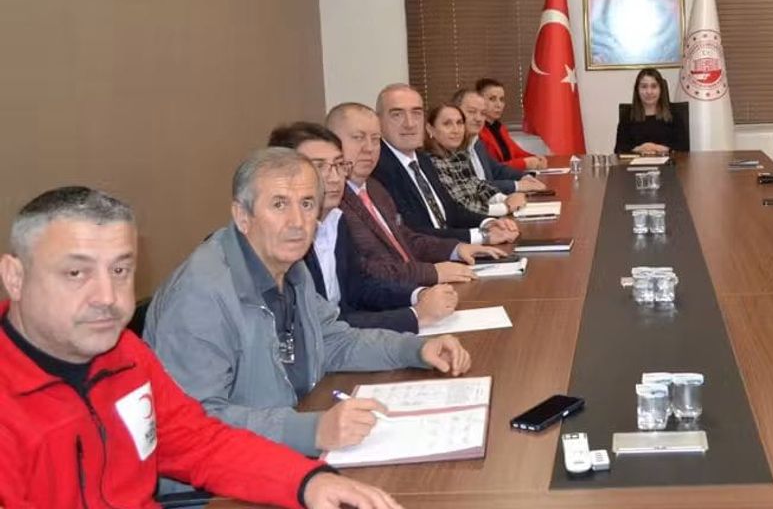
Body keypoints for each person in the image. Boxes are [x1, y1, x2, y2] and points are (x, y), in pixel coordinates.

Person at [0, 186, 402, 509]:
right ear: (14, 277)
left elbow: (196, 442)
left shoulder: (123, 354)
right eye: (76, 273)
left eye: (120, 270)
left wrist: (306, 481)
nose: (107, 296)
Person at [145, 149, 474, 461]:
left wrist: (415, 349)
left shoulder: (289, 266)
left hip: (283, 447)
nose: (297, 222)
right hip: (218, 482)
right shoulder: (200, 295)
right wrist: (312, 430)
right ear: (242, 216)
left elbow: (334, 341)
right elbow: (194, 422)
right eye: (279, 204)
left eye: (306, 204)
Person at [268, 121, 456, 333]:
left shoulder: (336, 222)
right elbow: (315, 327)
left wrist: (417, 295)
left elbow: (359, 287)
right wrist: (414, 316)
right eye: (318, 167)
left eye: (339, 165)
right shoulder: (283, 240)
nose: (334, 178)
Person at [327, 102, 502, 287]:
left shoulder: (374, 188)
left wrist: (456, 249)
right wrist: (431, 274)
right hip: (397, 295)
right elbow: (365, 272)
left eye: (375, 139)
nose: (369, 148)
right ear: (331, 144)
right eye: (358, 138)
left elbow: (405, 238)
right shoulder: (333, 201)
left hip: (415, 286)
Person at [371, 83, 521, 243]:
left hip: (452, 246)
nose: (409, 123)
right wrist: (482, 236)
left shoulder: (422, 160)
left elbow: (450, 211)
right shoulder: (377, 170)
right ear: (378, 121)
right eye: (397, 114)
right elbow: (412, 233)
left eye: (416, 113)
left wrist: (488, 223)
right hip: (434, 254)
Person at [426, 104, 528, 216]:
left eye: (459, 123)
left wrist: (505, 198)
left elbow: (476, 185)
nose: (456, 130)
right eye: (447, 124)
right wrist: (505, 208)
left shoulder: (458, 155)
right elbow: (461, 206)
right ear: (430, 129)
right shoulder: (431, 162)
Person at [454, 88, 547, 195]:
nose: (478, 118)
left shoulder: (476, 143)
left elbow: (497, 169)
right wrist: (516, 185)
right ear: (456, 112)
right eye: (471, 112)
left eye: (483, 113)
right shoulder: (452, 147)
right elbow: (473, 187)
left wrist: (525, 177)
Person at [613, 67, 690, 155]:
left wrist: (656, 148)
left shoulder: (673, 113)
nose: (649, 92)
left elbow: (683, 148)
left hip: (668, 162)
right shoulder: (628, 116)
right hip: (636, 163)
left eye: (654, 86)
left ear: (661, 89)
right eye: (644, 86)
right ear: (637, 90)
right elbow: (619, 149)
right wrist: (640, 149)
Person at [476, 78, 547, 170]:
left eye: (501, 99)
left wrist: (537, 158)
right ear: (479, 102)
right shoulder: (477, 132)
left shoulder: (499, 128)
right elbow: (492, 169)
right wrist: (524, 163)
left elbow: (518, 153)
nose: (498, 105)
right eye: (492, 99)